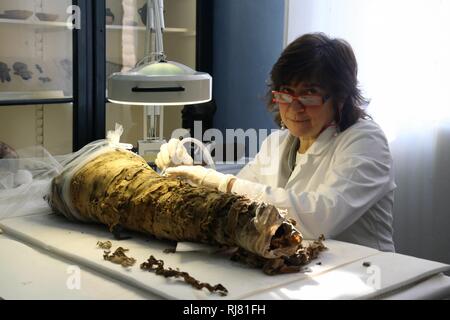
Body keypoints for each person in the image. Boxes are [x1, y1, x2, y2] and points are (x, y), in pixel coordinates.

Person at [155, 33, 396, 252]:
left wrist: (223, 182)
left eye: (308, 93)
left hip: (366, 274)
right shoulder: (278, 143)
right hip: (304, 269)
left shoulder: (365, 140)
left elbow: (320, 217)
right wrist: (192, 176)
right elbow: (239, 199)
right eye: (286, 92)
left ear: (341, 97)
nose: (294, 106)